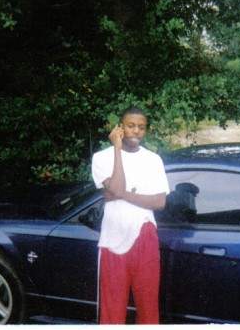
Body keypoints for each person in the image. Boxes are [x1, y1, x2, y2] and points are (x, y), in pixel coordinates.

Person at [91, 106, 170, 324]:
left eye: (141, 127)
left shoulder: (153, 160)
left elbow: (159, 202)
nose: (136, 131)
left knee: (148, 307)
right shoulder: (101, 158)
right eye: (131, 125)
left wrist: (121, 194)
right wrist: (117, 150)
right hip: (113, 239)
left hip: (145, 235)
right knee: (112, 310)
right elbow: (117, 186)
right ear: (120, 128)